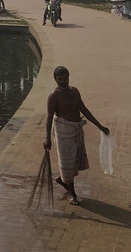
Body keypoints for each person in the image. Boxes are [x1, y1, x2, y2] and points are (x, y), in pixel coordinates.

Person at [44, 66, 109, 206]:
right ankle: (72, 193)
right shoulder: (53, 96)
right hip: (63, 133)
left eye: (65, 78)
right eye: (60, 79)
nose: (63, 81)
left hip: (76, 130)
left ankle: (63, 180)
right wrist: (47, 138)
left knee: (73, 161)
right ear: (55, 79)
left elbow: (84, 109)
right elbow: (49, 117)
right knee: (67, 162)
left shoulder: (74, 91)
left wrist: (100, 126)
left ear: (68, 77)